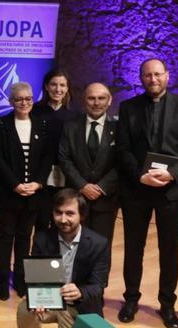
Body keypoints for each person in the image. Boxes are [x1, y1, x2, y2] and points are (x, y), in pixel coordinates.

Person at [115, 58, 178, 328]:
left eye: (157, 74)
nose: (153, 79)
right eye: (148, 75)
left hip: (170, 190)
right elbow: (123, 149)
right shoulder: (128, 107)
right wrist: (140, 175)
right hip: (137, 188)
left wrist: (173, 172)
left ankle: (167, 304)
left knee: (169, 250)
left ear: (167, 76)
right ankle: (131, 299)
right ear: (140, 78)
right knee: (133, 248)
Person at [15, 189, 110, 328]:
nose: (63, 219)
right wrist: (35, 297)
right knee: (25, 308)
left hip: (77, 307)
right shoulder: (42, 237)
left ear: (81, 215)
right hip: (49, 301)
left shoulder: (99, 243)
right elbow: (36, 275)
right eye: (58, 212)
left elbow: (99, 285)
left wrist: (80, 291)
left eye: (70, 213)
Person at [0, 82, 55, 301]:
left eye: (28, 98)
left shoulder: (42, 124)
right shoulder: (1, 124)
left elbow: (47, 157)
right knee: (6, 235)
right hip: (8, 192)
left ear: (33, 100)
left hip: (35, 193)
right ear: (11, 101)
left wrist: (38, 183)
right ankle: (3, 280)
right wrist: (15, 184)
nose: (24, 103)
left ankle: (20, 279)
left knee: (25, 237)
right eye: (19, 99)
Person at [59, 82, 119, 244]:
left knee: (101, 246)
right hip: (76, 198)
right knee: (73, 246)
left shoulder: (119, 128)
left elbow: (122, 162)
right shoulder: (70, 127)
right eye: (91, 98)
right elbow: (64, 158)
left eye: (101, 98)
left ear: (110, 100)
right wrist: (82, 185)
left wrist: (102, 187)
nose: (96, 103)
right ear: (84, 100)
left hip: (106, 199)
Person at [32, 69, 79, 230]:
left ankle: (62, 255)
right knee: (42, 219)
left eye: (62, 85)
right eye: (53, 84)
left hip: (67, 173)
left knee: (63, 220)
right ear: (46, 86)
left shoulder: (75, 115)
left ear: (67, 88)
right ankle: (40, 254)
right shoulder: (34, 111)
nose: (58, 89)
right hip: (40, 173)